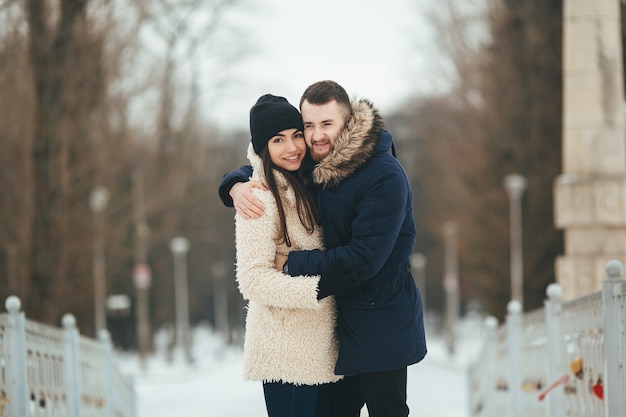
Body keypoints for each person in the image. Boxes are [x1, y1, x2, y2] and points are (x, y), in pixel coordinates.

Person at [219, 81, 427, 417]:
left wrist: (292, 263)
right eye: (308, 126)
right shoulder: (314, 164)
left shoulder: (384, 175)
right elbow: (271, 163)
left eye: (327, 124)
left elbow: (363, 260)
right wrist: (234, 185)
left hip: (379, 325)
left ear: (348, 122)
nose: (315, 136)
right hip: (330, 333)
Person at [233, 94, 353, 417]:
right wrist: (316, 289)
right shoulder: (259, 199)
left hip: (319, 353)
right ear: (263, 148)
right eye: (278, 139)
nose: (292, 147)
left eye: (296, 135)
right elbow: (252, 279)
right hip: (285, 355)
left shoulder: (302, 181)